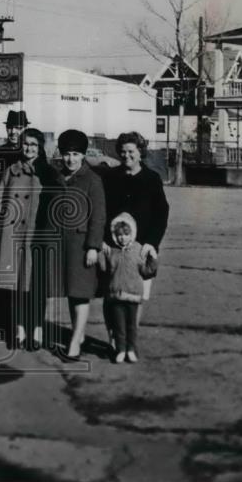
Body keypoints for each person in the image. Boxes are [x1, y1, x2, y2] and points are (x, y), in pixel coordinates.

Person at [0, 127, 62, 350]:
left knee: (35, 284)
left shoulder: (47, 172)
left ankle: (37, 329)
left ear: (40, 147)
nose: (29, 148)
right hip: (11, 235)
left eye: (33, 144)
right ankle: (19, 329)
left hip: (35, 237)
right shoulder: (11, 170)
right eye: (25, 144)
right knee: (15, 285)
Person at [100, 131, 170, 346]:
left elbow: (161, 213)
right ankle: (114, 336)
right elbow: (101, 210)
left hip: (141, 250)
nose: (126, 156)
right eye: (122, 152)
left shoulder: (151, 179)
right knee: (111, 295)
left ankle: (129, 338)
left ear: (141, 153)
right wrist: (103, 240)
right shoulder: (110, 177)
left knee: (136, 298)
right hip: (113, 248)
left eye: (131, 151)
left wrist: (151, 243)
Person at [53, 129, 106, 362]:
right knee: (71, 293)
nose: (70, 159)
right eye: (66, 154)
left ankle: (75, 341)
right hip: (61, 244)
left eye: (75, 154)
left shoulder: (92, 180)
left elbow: (99, 216)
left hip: (82, 245)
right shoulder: (57, 177)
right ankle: (79, 334)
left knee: (81, 294)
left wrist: (94, 246)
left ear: (83, 155)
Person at [101, 212, 157, 363]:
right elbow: (105, 269)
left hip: (133, 296)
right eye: (119, 235)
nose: (122, 237)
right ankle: (121, 350)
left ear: (132, 233)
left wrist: (152, 258)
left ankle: (131, 349)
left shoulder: (138, 250)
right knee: (119, 326)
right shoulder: (112, 251)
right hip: (116, 296)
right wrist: (101, 252)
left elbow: (146, 271)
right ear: (114, 235)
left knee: (132, 326)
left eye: (126, 234)